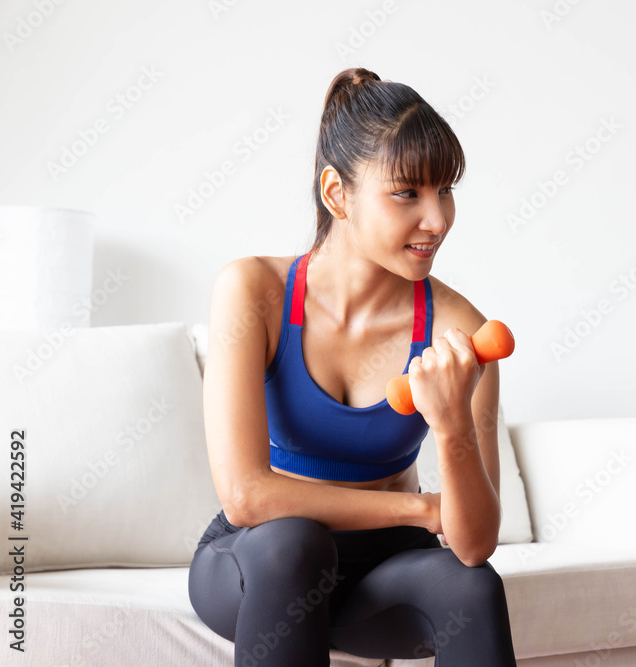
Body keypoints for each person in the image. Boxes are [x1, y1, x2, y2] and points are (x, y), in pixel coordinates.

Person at [187, 67, 517, 666]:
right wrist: (421, 509)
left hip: (382, 576)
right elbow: (246, 497)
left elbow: (474, 544)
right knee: (295, 542)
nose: (437, 219)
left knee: (472, 585)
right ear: (336, 193)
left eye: (445, 191)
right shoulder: (253, 291)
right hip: (260, 564)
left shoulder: (459, 330)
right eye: (407, 193)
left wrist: (452, 427)